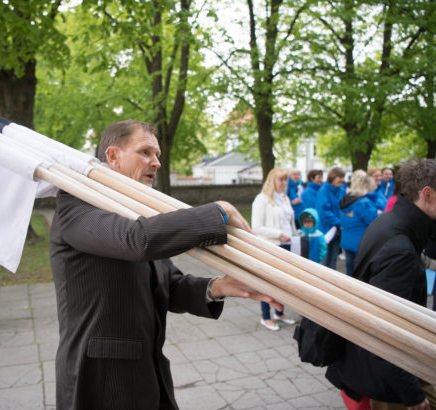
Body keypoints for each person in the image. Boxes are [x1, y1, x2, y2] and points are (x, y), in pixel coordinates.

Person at [50, 119, 281, 410]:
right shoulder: (77, 205)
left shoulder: (139, 210)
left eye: (157, 154)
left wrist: (220, 286)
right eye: (145, 152)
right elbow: (137, 241)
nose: (156, 162)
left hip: (150, 375)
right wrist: (218, 211)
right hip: (101, 382)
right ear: (112, 157)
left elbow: (169, 284)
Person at [326, 158, 436, 410]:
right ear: (427, 194)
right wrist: (413, 395)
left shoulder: (389, 222)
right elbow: (384, 332)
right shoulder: (400, 250)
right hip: (390, 382)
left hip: (382, 371)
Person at [251, 167, 297, 331]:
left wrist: (294, 234)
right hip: (271, 247)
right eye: (281, 180)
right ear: (272, 181)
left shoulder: (285, 198)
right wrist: (278, 234)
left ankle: (280, 312)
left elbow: (289, 222)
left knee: (283, 283)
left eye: (286, 180)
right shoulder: (261, 199)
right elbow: (256, 227)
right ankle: (266, 316)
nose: (284, 183)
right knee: (268, 283)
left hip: (287, 246)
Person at [339, 170, 379, 275]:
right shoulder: (363, 203)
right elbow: (373, 221)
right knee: (360, 274)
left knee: (349, 271)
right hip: (360, 243)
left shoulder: (346, 199)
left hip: (347, 241)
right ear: (366, 184)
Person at [316, 167, 346, 269]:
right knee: (325, 260)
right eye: (340, 177)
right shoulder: (323, 191)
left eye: (343, 177)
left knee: (333, 260)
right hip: (327, 230)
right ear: (332, 177)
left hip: (337, 231)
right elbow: (324, 211)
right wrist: (339, 223)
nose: (342, 180)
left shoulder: (341, 190)